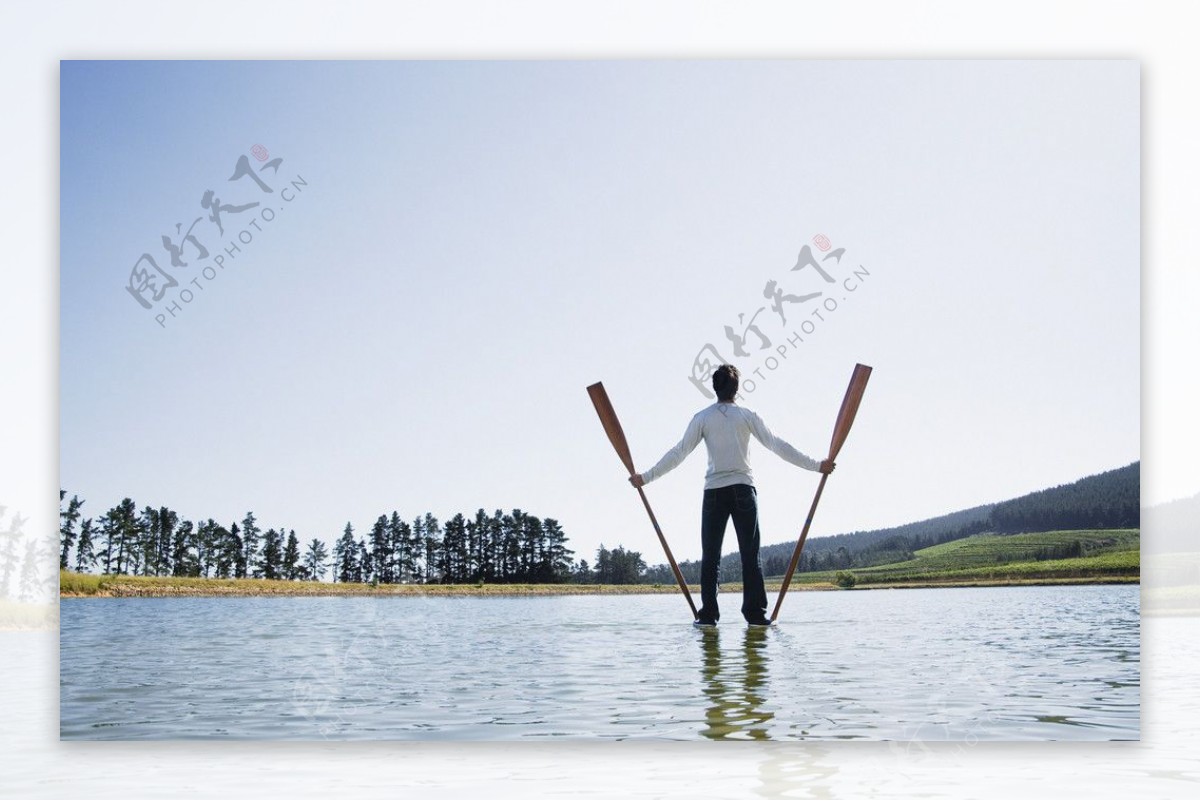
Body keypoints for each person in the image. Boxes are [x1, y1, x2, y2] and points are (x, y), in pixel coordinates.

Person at [629, 364, 834, 626]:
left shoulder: (702, 417)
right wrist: (816, 465)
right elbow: (778, 445)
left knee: (711, 555)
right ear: (736, 388)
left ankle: (708, 615)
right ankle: (756, 614)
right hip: (742, 491)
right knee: (750, 554)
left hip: (715, 492)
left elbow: (678, 453)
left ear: (714, 388)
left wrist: (645, 477)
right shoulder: (746, 415)